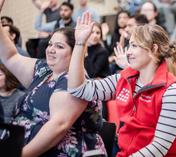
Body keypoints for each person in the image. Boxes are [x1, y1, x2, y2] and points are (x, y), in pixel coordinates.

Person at [68, 14, 176, 156]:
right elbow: (78, 89)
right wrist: (80, 43)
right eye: (129, 45)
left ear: (154, 49)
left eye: (134, 46)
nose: (128, 52)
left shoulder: (174, 91)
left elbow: (160, 147)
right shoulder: (124, 78)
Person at [0, 2, 105, 155]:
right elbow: (10, 56)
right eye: (50, 44)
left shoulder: (74, 81)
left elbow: (59, 126)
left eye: (59, 46)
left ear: (76, 52)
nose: (51, 50)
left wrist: (21, 155)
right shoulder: (44, 70)